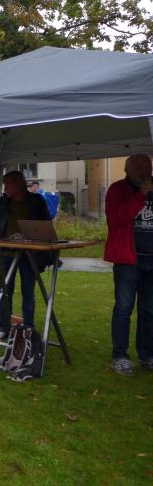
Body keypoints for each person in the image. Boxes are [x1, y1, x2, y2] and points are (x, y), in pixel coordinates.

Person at [0, 171, 51, 340]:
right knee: (5, 291)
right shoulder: (2, 203)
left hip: (30, 255)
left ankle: (28, 329)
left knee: (28, 291)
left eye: (8, 185)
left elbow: (46, 225)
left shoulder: (36, 201)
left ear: (18, 185)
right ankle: (4, 328)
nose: (5, 188)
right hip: (5, 254)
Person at [104, 154, 153, 375]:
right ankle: (120, 356)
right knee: (124, 308)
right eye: (139, 167)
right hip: (128, 260)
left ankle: (147, 355)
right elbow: (115, 220)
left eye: (148, 166)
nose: (145, 171)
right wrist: (141, 196)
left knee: (149, 310)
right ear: (127, 170)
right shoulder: (117, 190)